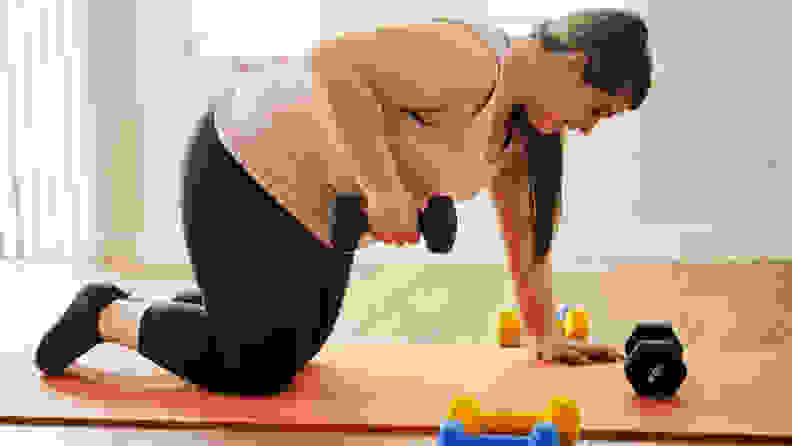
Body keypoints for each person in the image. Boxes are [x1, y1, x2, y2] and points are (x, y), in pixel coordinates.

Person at [34, 9, 652, 395]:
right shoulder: (471, 60)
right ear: (573, 66)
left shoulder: (530, 137)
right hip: (244, 161)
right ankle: (105, 313)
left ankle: (213, 311)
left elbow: (528, 240)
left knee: (295, 353)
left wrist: (546, 336)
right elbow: (336, 66)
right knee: (256, 366)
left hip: (322, 204)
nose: (591, 127)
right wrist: (384, 191)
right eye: (597, 109)